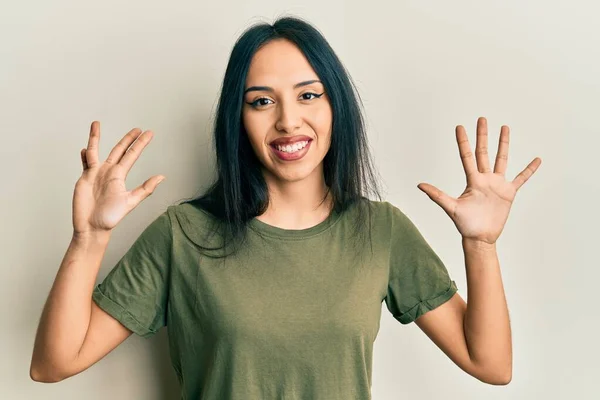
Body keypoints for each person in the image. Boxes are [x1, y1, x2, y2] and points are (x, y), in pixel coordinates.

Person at [30, 15, 541, 399]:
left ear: (336, 105)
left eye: (308, 95)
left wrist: (481, 245)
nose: (288, 121)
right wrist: (89, 239)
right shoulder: (183, 234)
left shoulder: (379, 230)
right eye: (261, 101)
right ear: (238, 119)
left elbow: (490, 364)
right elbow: (53, 364)